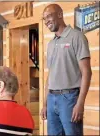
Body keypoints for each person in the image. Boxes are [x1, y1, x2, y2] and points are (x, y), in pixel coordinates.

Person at [40, 4, 92, 135]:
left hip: (69, 99)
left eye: (49, 16)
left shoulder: (77, 37)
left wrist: (80, 103)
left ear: (60, 14)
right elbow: (50, 75)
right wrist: (45, 103)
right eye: (44, 19)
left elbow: (87, 72)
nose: (46, 21)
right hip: (51, 98)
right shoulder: (51, 44)